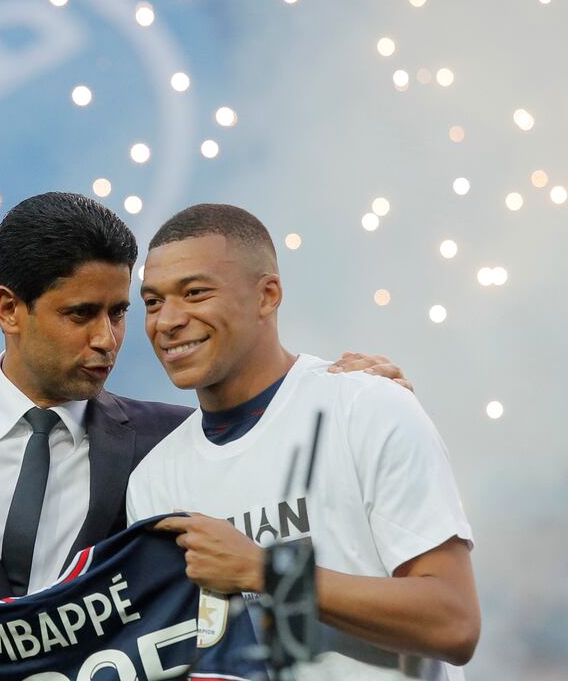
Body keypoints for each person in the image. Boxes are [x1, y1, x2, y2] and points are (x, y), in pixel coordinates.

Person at [0, 192, 408, 681]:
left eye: (119, 312)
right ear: (9, 310)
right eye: (80, 315)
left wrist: (346, 389)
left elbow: (279, 465)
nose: (107, 338)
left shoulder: (171, 445)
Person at [126, 203, 479, 679]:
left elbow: (454, 622)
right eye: (153, 302)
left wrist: (266, 571)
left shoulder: (368, 407)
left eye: (194, 293)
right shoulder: (154, 481)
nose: (167, 320)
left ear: (267, 295)